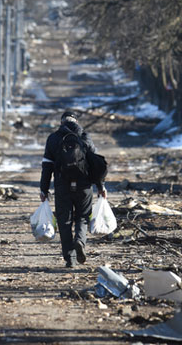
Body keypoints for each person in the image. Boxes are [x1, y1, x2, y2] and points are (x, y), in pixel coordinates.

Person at [40, 110, 106, 267]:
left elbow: (47, 167)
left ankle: (70, 258)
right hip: (84, 186)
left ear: (61, 122)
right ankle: (80, 241)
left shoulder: (53, 138)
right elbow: (96, 164)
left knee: (64, 221)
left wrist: (44, 189)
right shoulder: (85, 137)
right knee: (83, 217)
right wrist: (101, 186)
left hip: (62, 186)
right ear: (76, 122)